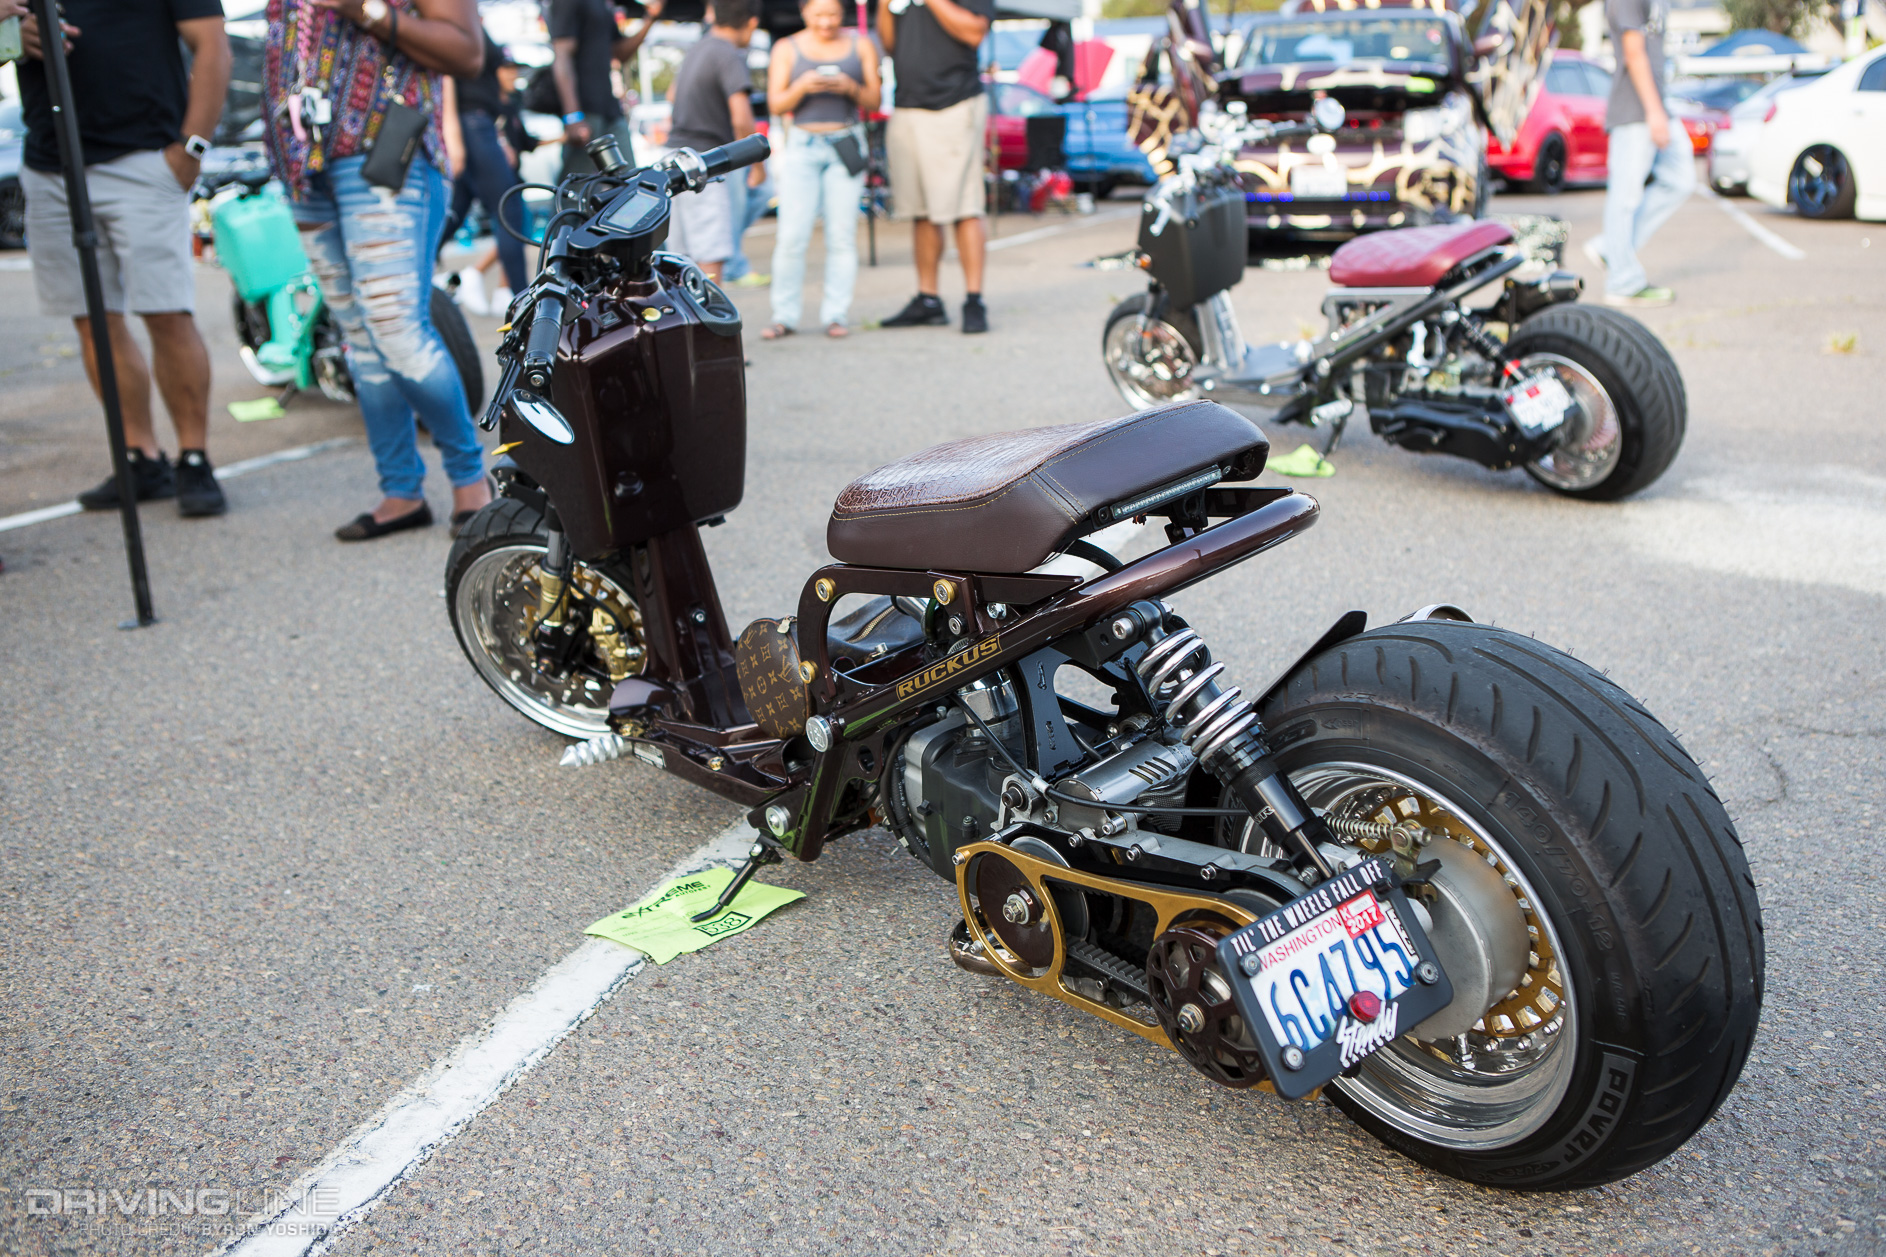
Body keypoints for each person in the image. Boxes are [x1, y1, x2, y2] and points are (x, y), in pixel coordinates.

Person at [262, 0, 491, 542]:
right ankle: (401, 491)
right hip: (302, 163)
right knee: (360, 338)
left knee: (396, 331)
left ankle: (471, 483)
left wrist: (364, 11)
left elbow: (467, 53)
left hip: (383, 153)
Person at [16, 0, 232, 517]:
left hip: (145, 157)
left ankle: (194, 458)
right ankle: (141, 457)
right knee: (93, 321)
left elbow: (213, 45)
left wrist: (191, 149)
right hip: (51, 165)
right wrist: (9, 32)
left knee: (167, 312)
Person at [760, 0, 880, 339]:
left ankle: (836, 314)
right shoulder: (787, 47)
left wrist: (849, 87)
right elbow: (775, 104)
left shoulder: (861, 44)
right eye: (818, 15)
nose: (826, 22)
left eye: (832, 15)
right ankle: (784, 315)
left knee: (841, 235)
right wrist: (803, 86)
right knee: (791, 236)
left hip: (846, 141)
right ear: (804, 12)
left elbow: (874, 100)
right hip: (803, 144)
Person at [876, 0, 994, 334]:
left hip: (955, 104)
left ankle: (974, 300)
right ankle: (928, 299)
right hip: (908, 104)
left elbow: (974, 33)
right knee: (921, 210)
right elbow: (889, 45)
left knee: (965, 206)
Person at [1594, 0, 1693, 308]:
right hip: (1635, 111)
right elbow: (1633, 52)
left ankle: (1611, 248)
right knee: (1625, 197)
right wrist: (1654, 111)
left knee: (1681, 179)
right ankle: (1622, 282)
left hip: (1658, 104)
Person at [665, 0, 762, 283]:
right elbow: (741, 117)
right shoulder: (728, 53)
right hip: (705, 161)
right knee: (711, 252)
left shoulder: (699, 47)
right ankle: (709, 309)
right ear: (752, 23)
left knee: (680, 259)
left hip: (674, 157)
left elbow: (671, 94)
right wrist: (757, 163)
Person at [444, 31, 529, 313]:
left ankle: (419, 275)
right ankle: (522, 300)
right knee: (509, 210)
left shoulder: (471, 22)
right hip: (472, 124)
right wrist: (453, 135)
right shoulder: (456, 22)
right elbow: (446, 72)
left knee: (454, 212)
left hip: (478, 124)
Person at [550, 0, 662, 176]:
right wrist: (573, 116)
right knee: (577, 185)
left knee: (630, 181)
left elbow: (620, 53)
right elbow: (562, 56)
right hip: (585, 112)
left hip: (610, 109)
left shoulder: (603, 4)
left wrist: (650, 19)